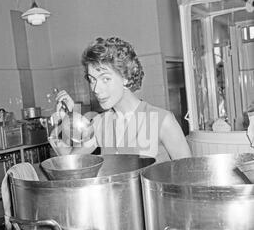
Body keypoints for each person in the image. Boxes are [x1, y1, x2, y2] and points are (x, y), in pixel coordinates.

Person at [49, 36, 191, 163]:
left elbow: (188, 177)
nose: (95, 89)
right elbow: (71, 159)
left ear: (126, 77)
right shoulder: (100, 124)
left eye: (105, 79)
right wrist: (65, 120)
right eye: (92, 80)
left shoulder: (162, 121)